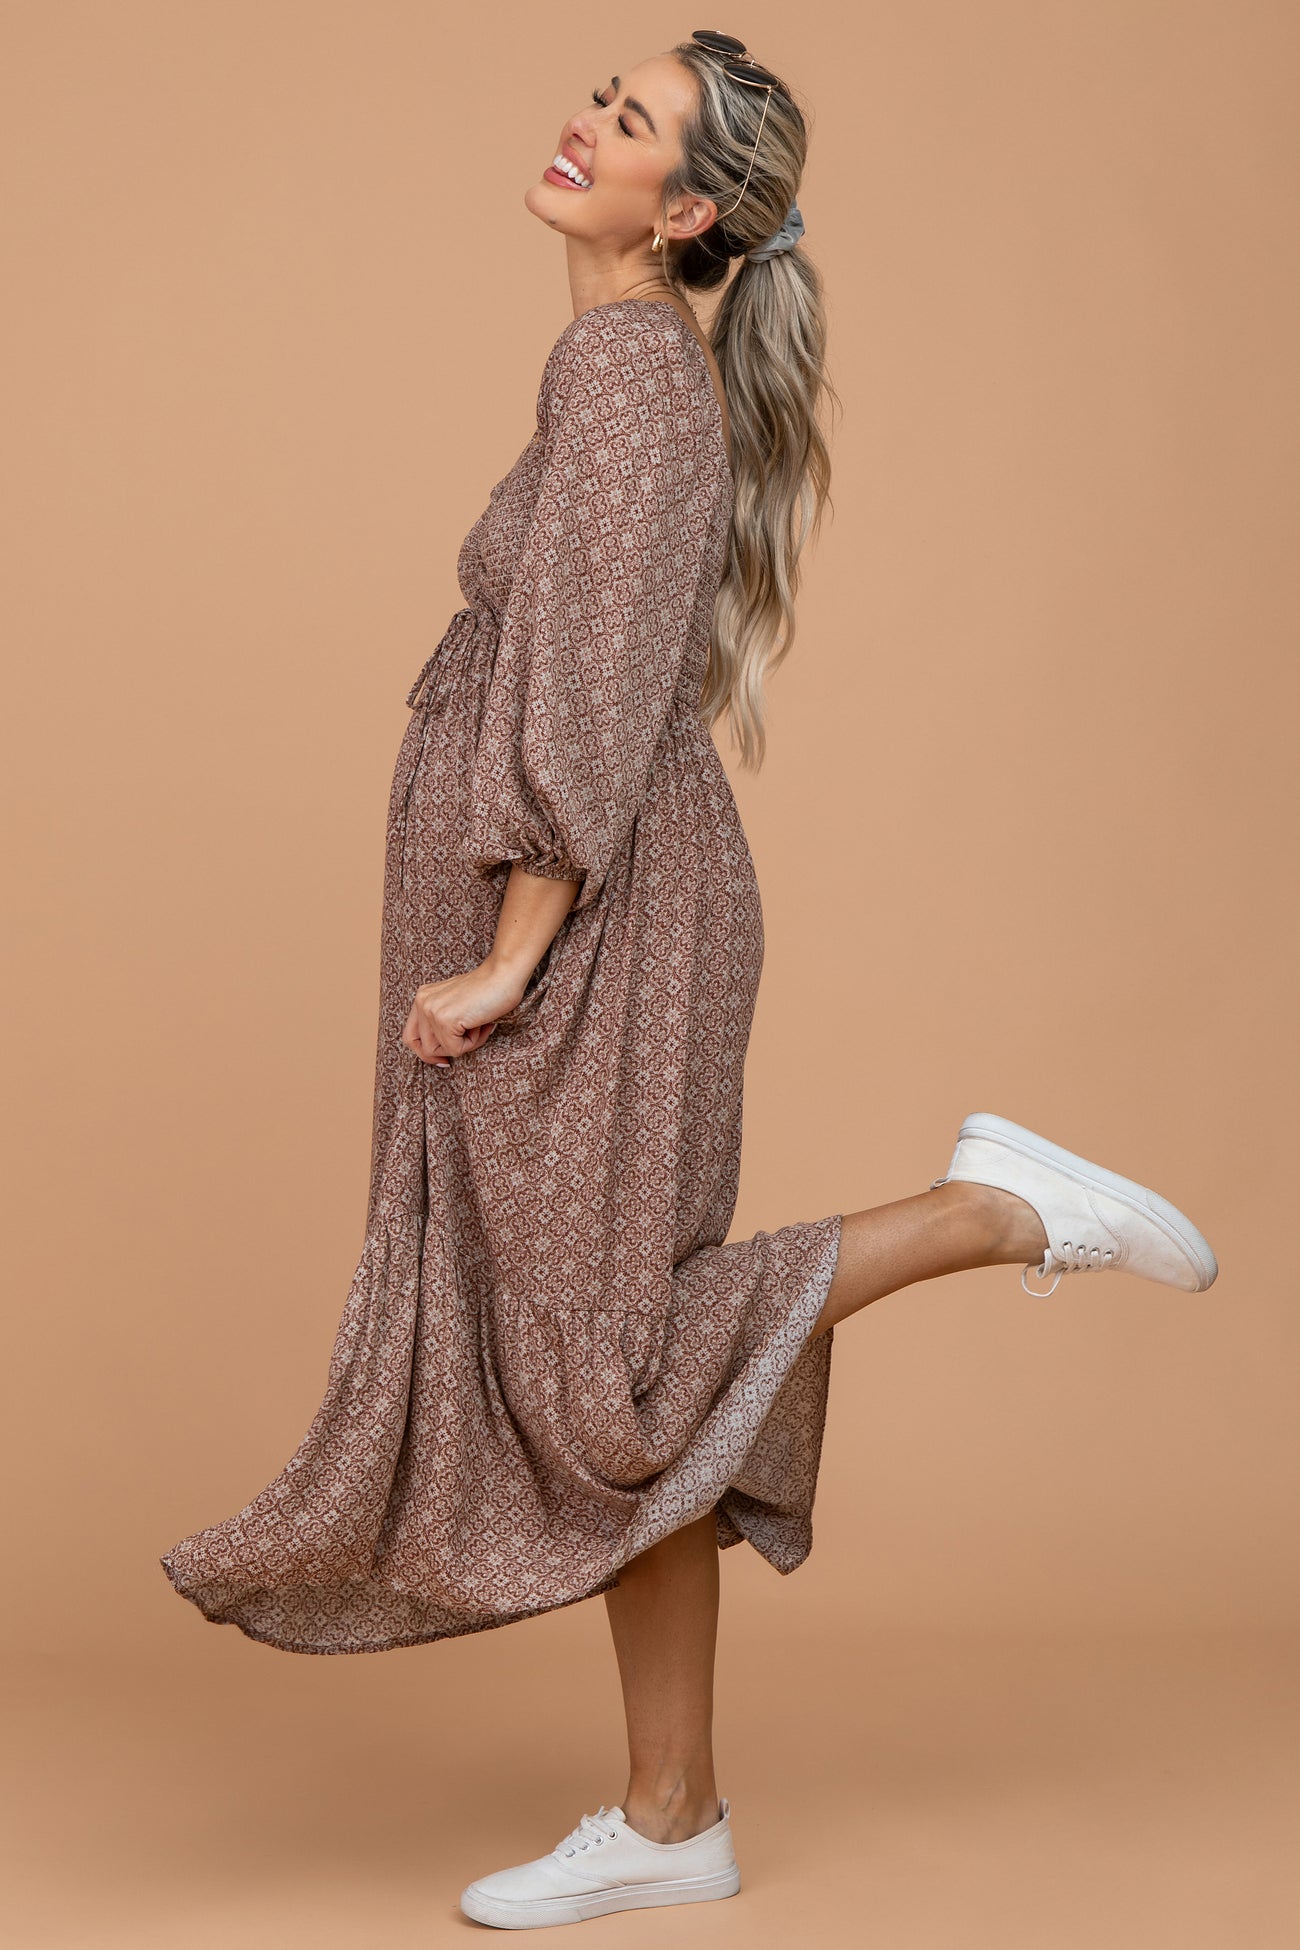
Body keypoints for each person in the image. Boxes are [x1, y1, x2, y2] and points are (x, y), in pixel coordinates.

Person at [159, 33, 1219, 1931]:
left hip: (593, 922)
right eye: (604, 95)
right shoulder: (625, 367)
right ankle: (674, 1814)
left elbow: (585, 690)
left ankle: (990, 1211)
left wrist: (511, 954)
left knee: (615, 1368)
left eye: (632, 125)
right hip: (598, 902)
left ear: (694, 209)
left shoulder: (626, 372)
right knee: (626, 1376)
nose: (586, 125)